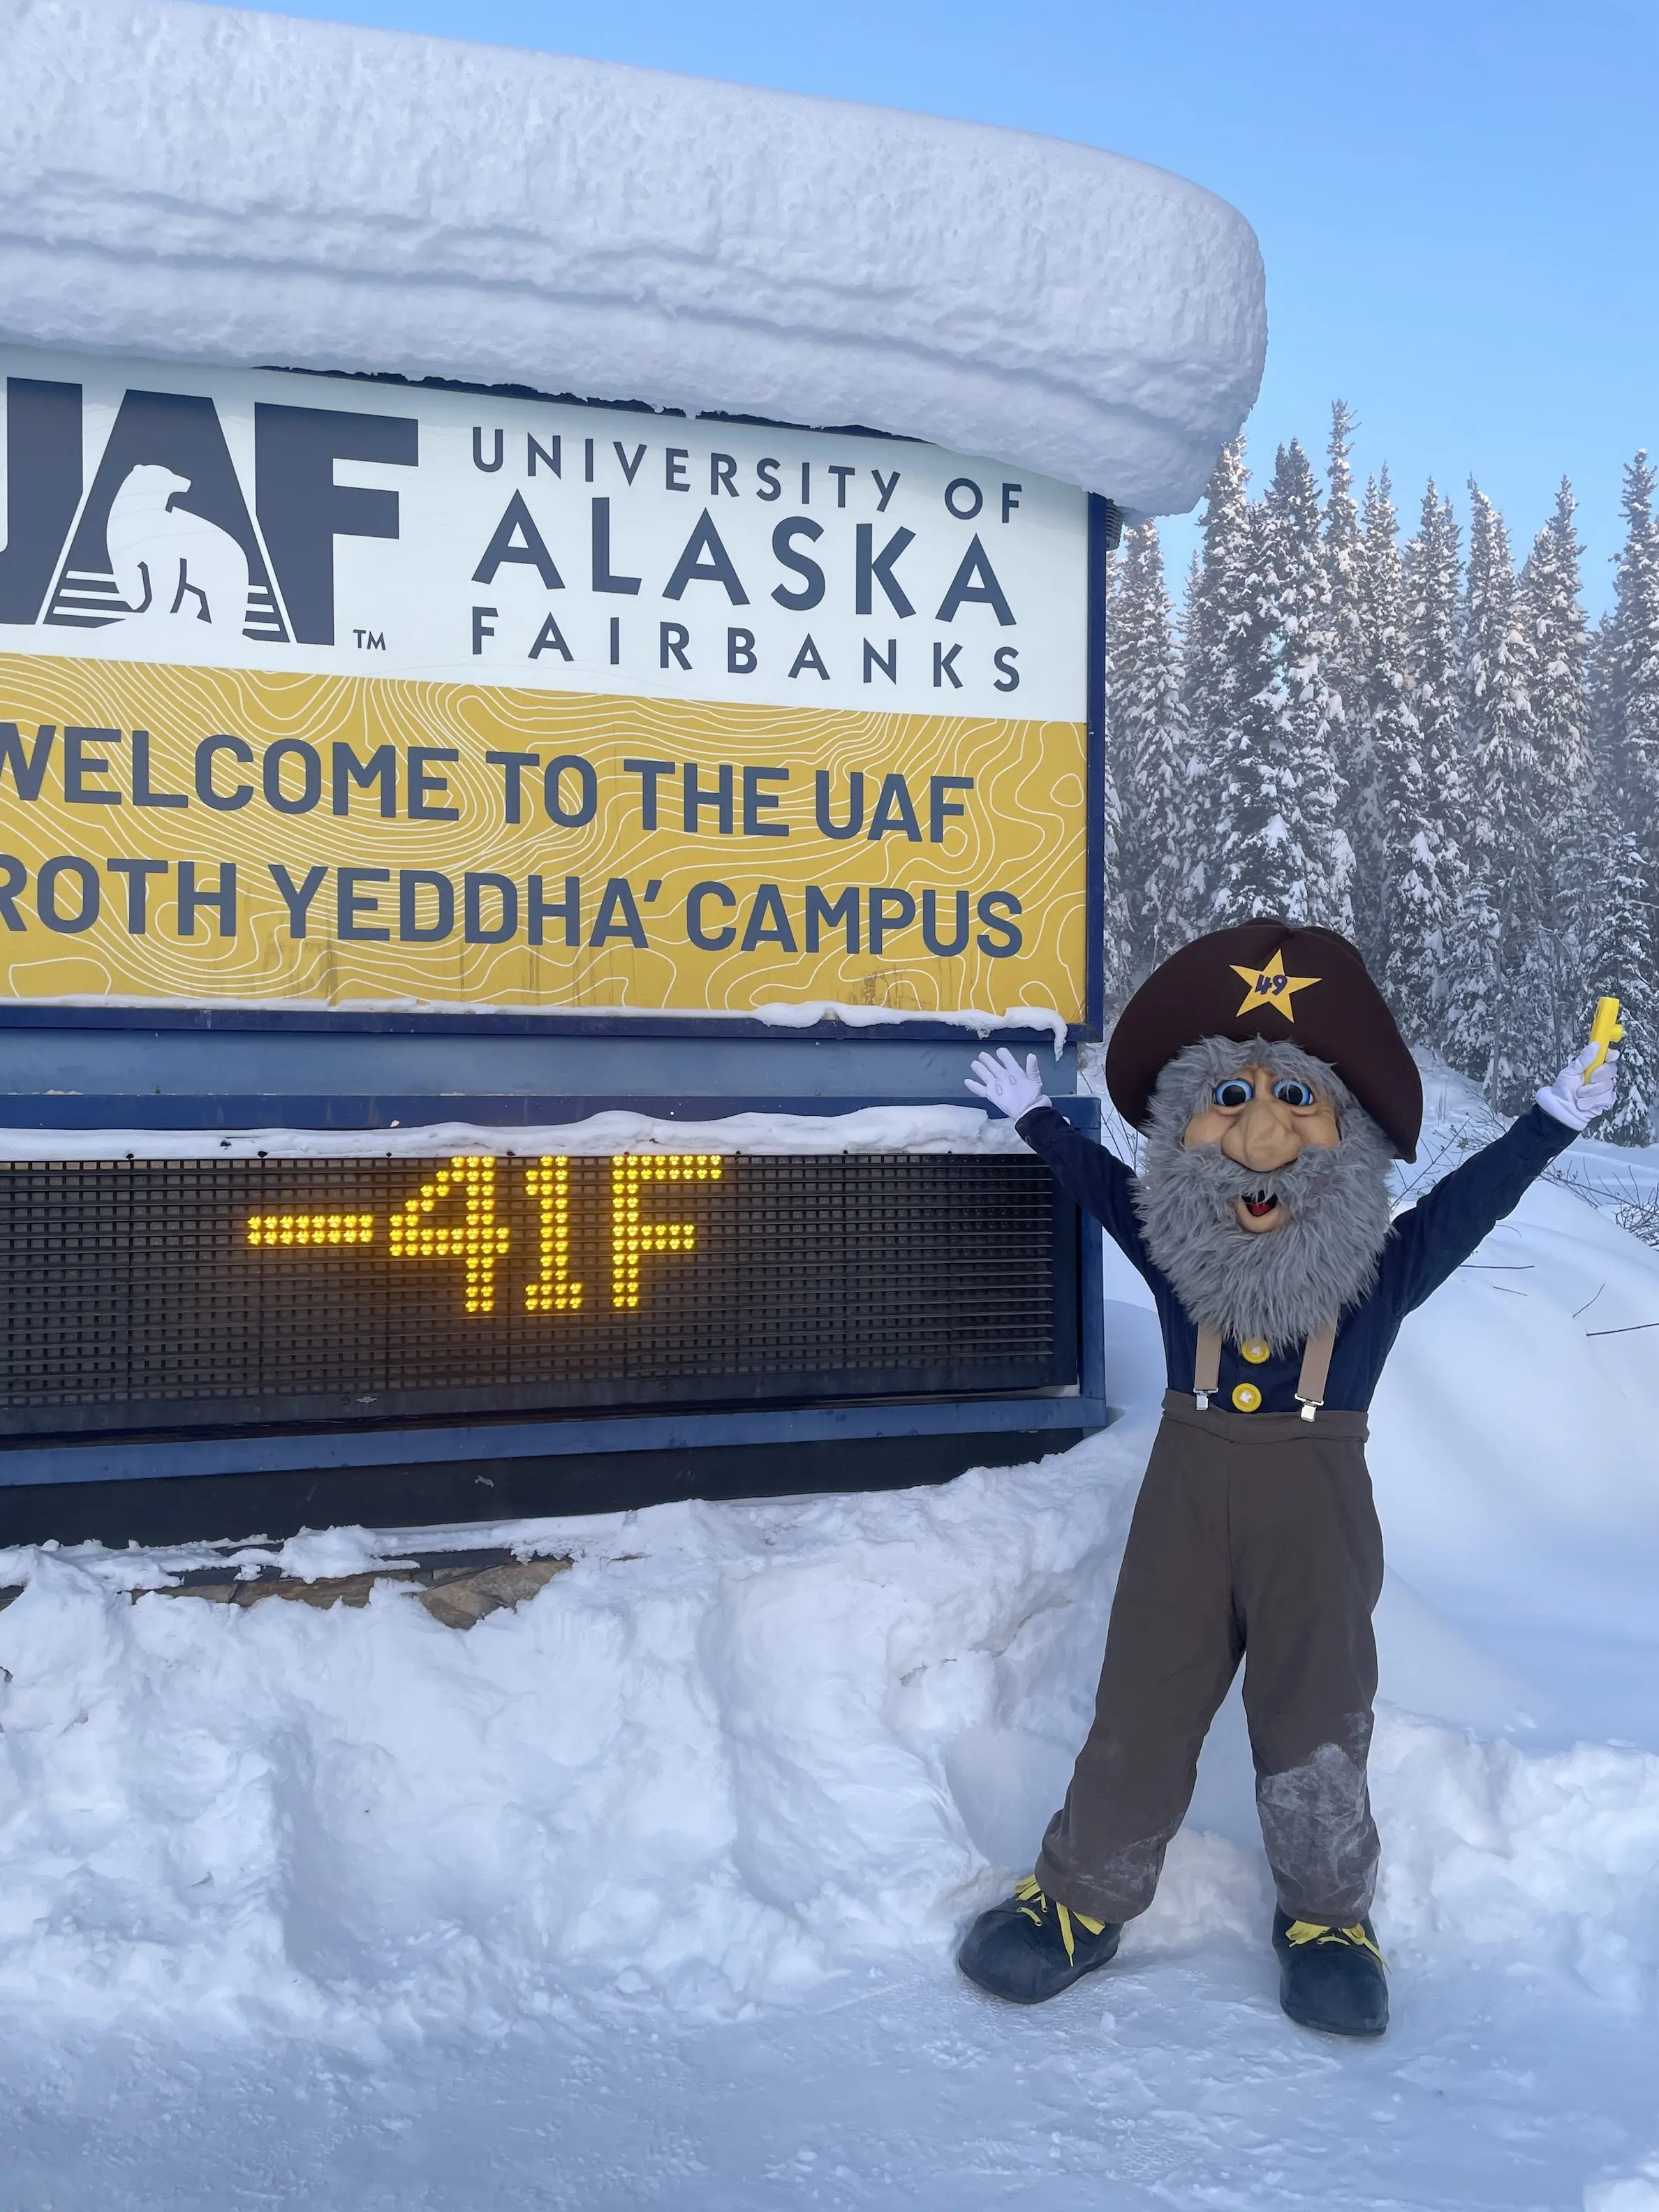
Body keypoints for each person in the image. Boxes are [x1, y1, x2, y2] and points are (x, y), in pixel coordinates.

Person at [959, 918, 1619, 2037]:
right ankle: (1082, 1897)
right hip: (1184, 1505)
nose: (1260, 1133)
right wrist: (1037, 1119)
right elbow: (1104, 1188)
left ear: (1344, 1131)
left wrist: (1548, 1123)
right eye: (1229, 1098)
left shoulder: (1379, 1272)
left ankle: (1326, 1919)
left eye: (1295, 1100)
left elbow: (1467, 1207)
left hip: (1316, 1516)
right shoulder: (1178, 1252)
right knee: (1142, 1704)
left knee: (1317, 1715)